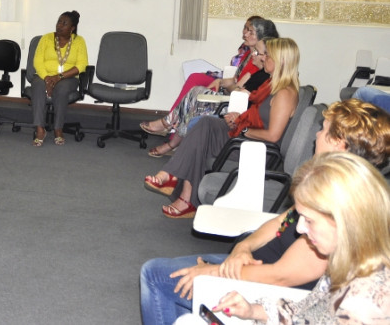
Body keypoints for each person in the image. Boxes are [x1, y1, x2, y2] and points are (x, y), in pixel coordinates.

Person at [139, 98, 390, 325]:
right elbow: (280, 222)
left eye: (323, 129)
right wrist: (242, 248)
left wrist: (214, 272)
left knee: (155, 276)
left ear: (339, 143)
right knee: (174, 282)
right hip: (246, 267)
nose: (317, 135)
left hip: (262, 286)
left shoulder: (339, 209)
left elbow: (280, 277)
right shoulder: (328, 185)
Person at [212, 152, 390, 323]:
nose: (299, 228)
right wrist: (253, 311)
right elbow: (307, 314)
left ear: (346, 221)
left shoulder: (363, 305)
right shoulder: (346, 262)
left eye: (309, 221)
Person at [144, 37, 301, 218]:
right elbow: (256, 115)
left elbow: (273, 136)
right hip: (249, 137)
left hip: (256, 149)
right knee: (205, 124)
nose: (263, 58)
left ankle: (175, 183)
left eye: (268, 55)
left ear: (281, 60)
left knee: (202, 134)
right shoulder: (270, 85)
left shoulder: (285, 93)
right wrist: (240, 119)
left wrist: (243, 128)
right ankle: (181, 192)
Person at [141, 17, 277, 157]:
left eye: (258, 53)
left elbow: (238, 92)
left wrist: (230, 86)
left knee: (195, 96)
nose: (245, 34)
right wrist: (225, 83)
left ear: (267, 55)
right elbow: (236, 83)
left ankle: (169, 131)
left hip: (235, 110)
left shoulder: (261, 74)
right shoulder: (255, 67)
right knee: (195, 93)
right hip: (233, 103)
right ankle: (170, 134)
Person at [30, 11, 88, 147]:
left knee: (62, 89)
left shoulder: (79, 41)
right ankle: (40, 129)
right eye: (59, 22)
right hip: (44, 75)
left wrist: (58, 77)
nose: (59, 25)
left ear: (72, 28)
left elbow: (81, 65)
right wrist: (47, 78)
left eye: (64, 23)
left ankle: (58, 128)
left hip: (68, 78)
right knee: (37, 86)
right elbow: (37, 61)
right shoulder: (46, 38)